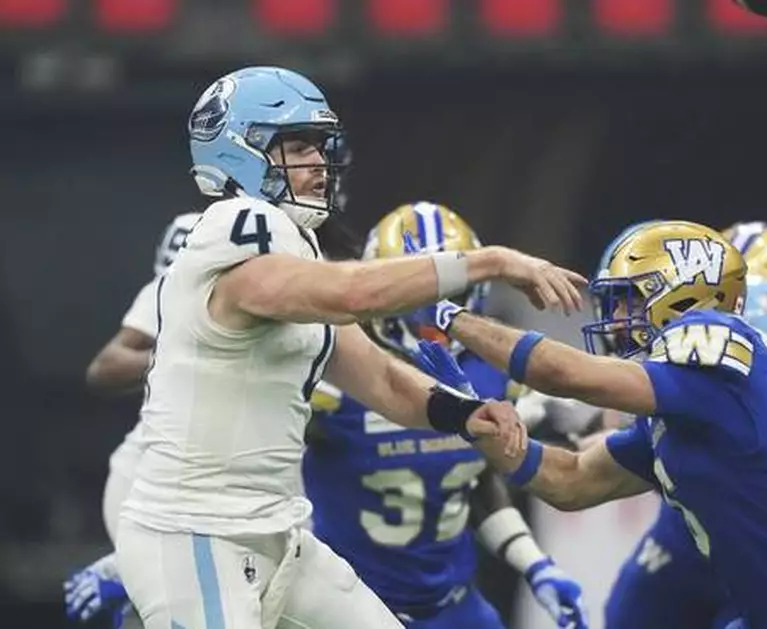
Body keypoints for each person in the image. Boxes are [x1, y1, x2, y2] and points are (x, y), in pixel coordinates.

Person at [114, 65, 578, 629]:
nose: (316, 162)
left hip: (276, 530)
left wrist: (464, 414)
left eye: (319, 145)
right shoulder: (235, 227)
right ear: (240, 151)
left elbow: (380, 379)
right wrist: (492, 261)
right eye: (297, 146)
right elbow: (353, 293)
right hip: (196, 532)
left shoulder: (298, 246)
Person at [415, 220, 767, 628]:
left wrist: (446, 314)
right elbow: (569, 480)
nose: (616, 318)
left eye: (629, 300)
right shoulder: (679, 418)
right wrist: (474, 418)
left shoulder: (720, 344)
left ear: (683, 295)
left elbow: (565, 373)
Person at [302, 202, 587, 628]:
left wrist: (535, 566)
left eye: (445, 296)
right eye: (415, 293)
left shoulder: (488, 372)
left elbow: (469, 484)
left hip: (453, 608)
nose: (427, 311)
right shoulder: (337, 373)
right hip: (349, 611)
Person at [64, 212, 201, 629]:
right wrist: (188, 355)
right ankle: (132, 574)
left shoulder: (285, 282)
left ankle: (129, 575)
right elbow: (104, 368)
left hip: (241, 479)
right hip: (158, 479)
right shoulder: (174, 290)